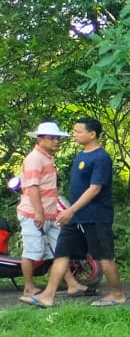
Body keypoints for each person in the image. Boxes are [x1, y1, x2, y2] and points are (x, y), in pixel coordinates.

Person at [28, 117, 126, 307]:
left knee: (103, 256)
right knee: (62, 253)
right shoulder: (81, 155)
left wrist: (70, 210)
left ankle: (117, 294)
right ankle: (48, 295)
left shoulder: (101, 157)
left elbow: (95, 189)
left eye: (78, 132)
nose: (74, 135)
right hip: (75, 217)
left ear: (92, 134)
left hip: (96, 216)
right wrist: (71, 211)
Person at [16, 122, 87, 302]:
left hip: (50, 213)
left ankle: (71, 283)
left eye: (58, 138)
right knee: (31, 252)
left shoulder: (47, 157)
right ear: (40, 139)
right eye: (52, 138)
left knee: (60, 249)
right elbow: (32, 188)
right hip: (34, 214)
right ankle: (28, 287)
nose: (56, 141)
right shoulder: (34, 158)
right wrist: (39, 212)